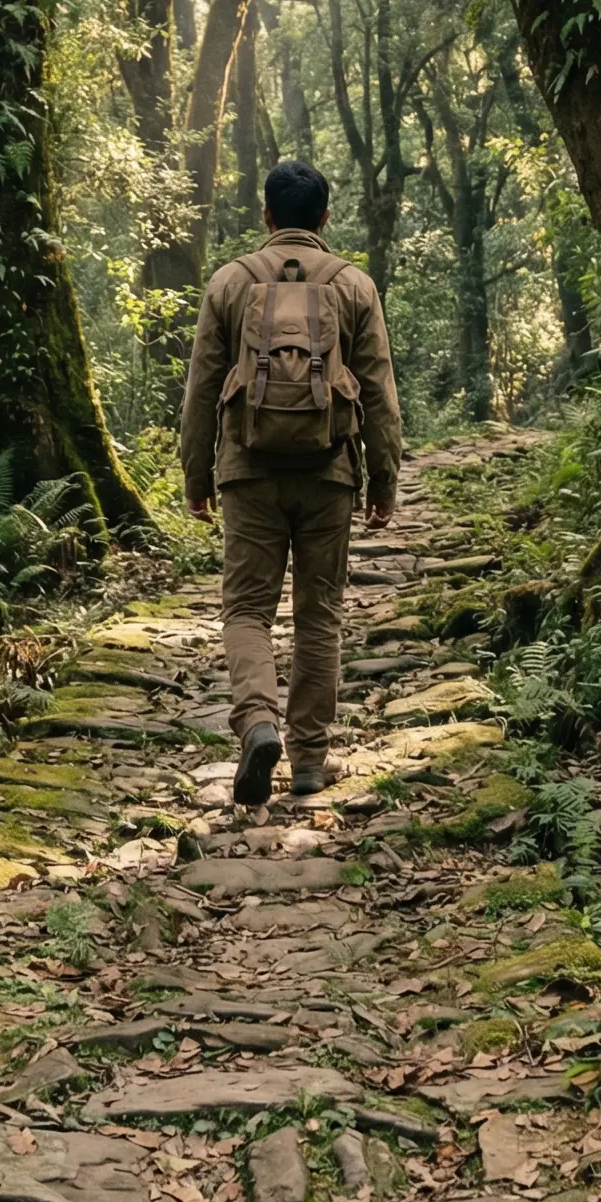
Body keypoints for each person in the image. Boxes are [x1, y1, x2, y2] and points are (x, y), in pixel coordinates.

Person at [180, 159, 403, 806]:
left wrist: (196, 476)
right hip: (329, 473)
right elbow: (379, 393)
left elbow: (201, 390)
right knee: (319, 613)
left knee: (247, 610)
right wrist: (383, 481)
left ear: (267, 216)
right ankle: (308, 760)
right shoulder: (353, 285)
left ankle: (257, 722)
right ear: (325, 217)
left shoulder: (230, 281)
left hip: (248, 473)